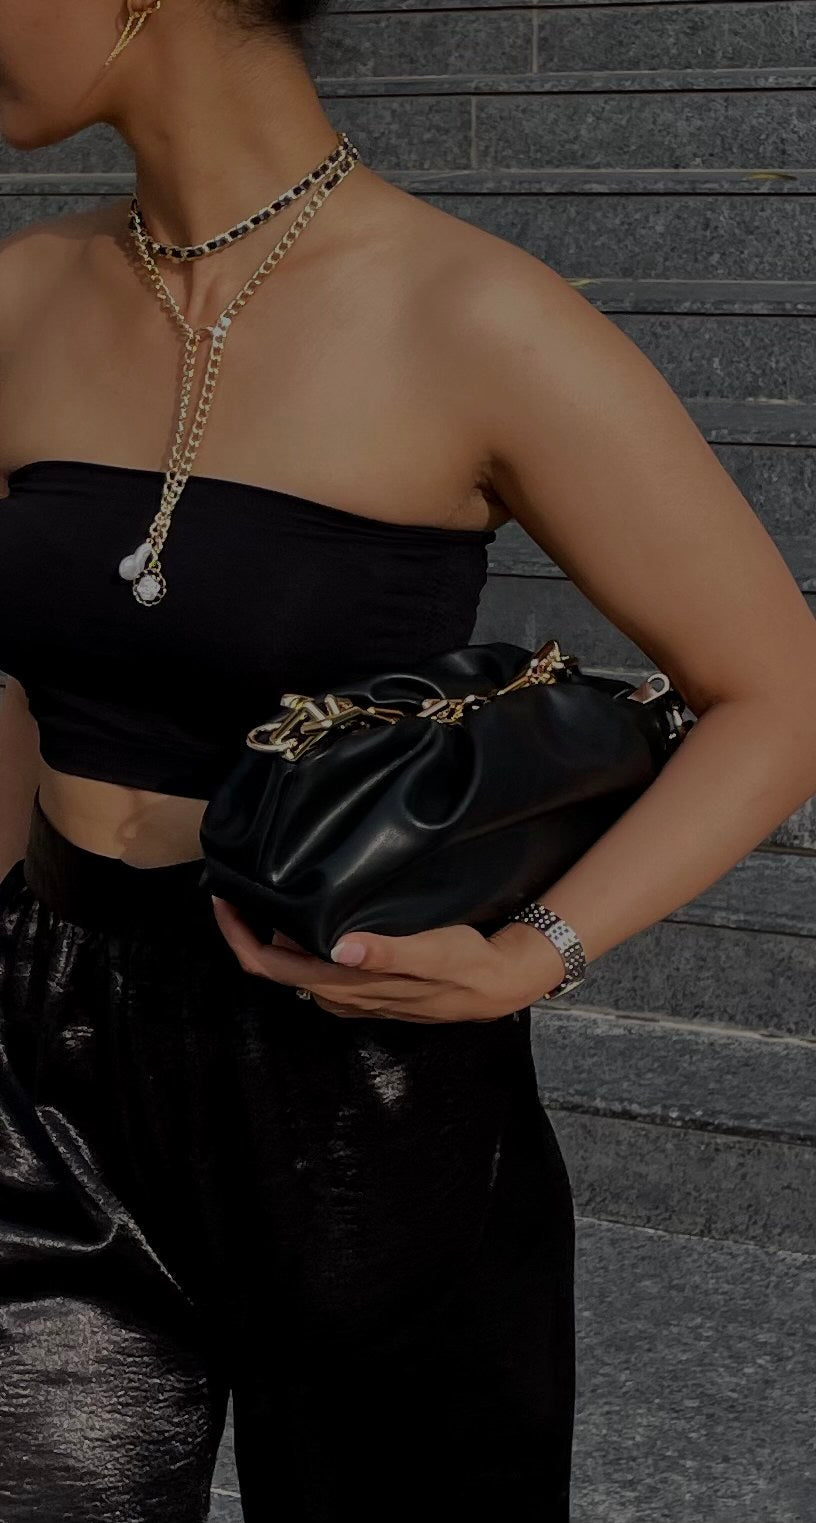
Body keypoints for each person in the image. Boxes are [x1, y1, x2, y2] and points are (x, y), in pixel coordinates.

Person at [0, 1, 814, 1520]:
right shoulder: (22, 293)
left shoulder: (476, 317)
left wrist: (533, 953)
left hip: (356, 1073)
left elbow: (776, 691)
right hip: (44, 1052)